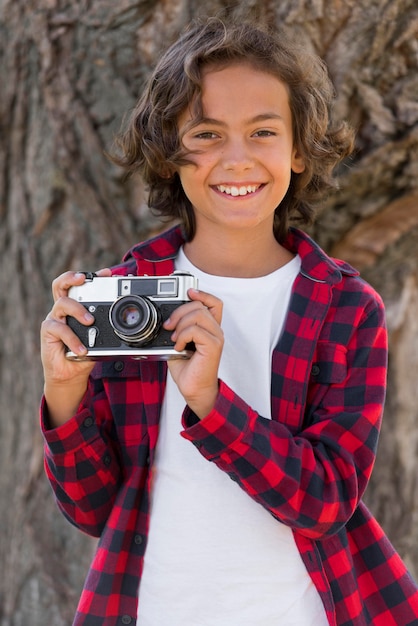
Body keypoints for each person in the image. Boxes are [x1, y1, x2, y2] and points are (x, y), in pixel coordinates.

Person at [40, 15, 418, 626]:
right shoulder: (124, 303)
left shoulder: (346, 310)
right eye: (208, 134)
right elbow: (95, 510)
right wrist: (64, 393)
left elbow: (326, 501)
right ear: (169, 154)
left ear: (298, 151)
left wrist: (212, 404)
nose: (236, 159)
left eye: (263, 131)